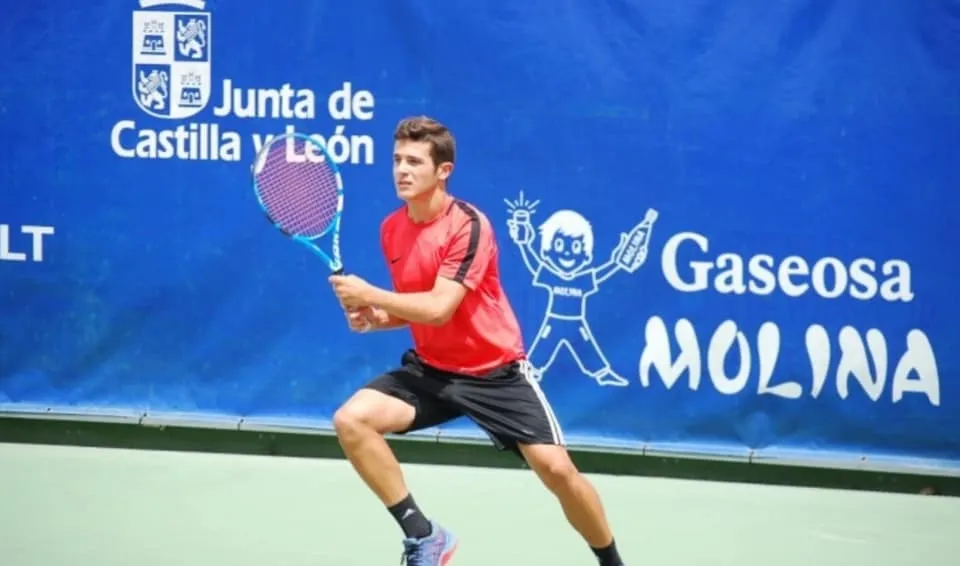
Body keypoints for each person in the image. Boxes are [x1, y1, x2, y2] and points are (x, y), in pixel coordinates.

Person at [328, 116, 626, 566]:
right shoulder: (392, 228)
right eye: (396, 160)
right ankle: (424, 536)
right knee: (352, 421)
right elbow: (413, 308)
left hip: (495, 373)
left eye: (414, 161)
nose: (401, 170)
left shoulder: (469, 225)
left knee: (557, 471)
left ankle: (612, 563)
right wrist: (376, 318)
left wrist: (369, 293)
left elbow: (439, 307)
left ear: (443, 170)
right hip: (430, 370)